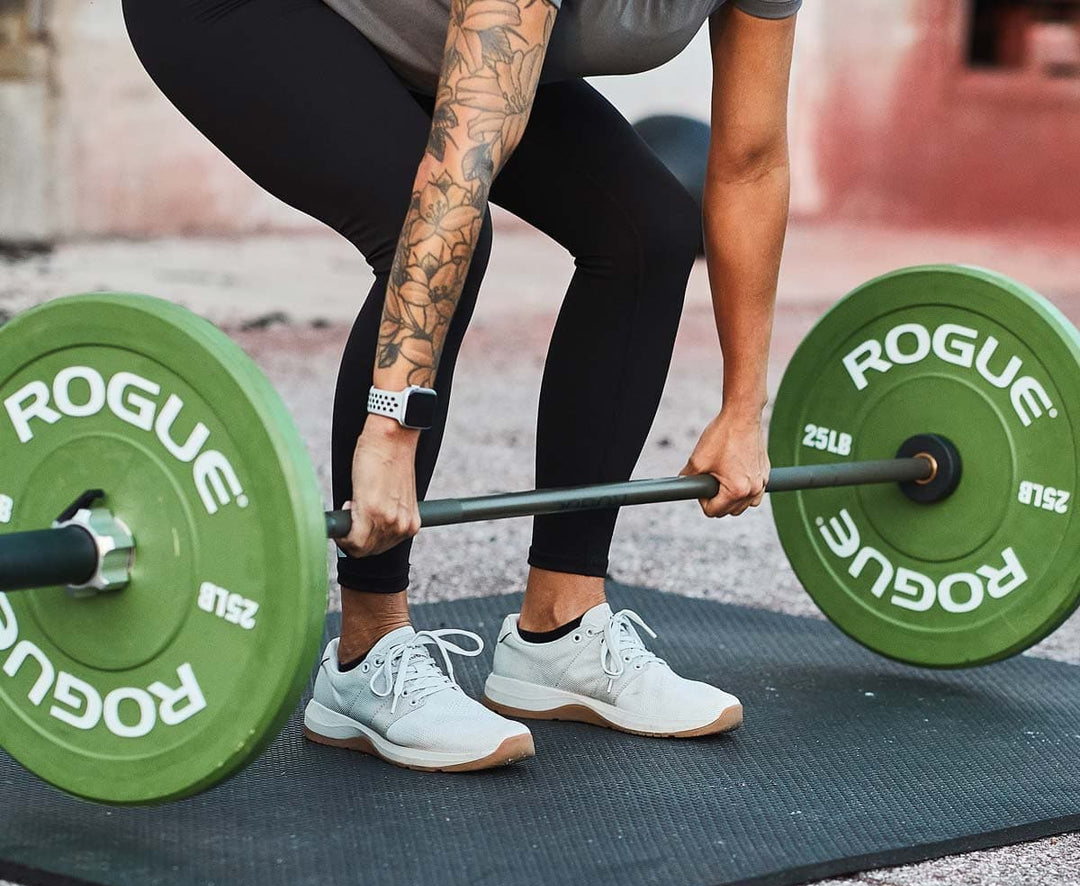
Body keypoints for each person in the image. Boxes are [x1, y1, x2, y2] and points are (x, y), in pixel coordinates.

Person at [122, 0, 799, 772]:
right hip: (244, 15)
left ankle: (561, 626)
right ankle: (364, 654)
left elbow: (751, 162)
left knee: (647, 229)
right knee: (441, 238)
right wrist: (389, 426)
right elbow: (456, 178)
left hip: (432, 42)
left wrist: (745, 406)